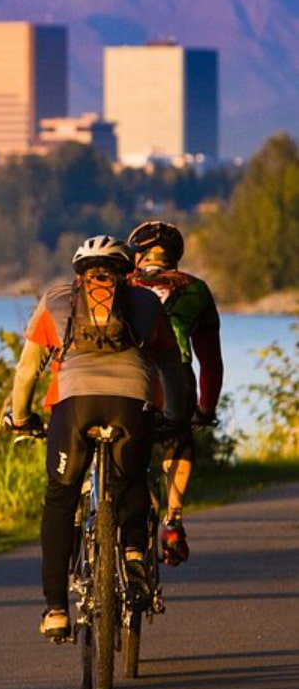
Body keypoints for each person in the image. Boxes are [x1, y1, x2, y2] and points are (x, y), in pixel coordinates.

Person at [4, 234, 187, 640]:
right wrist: (175, 416)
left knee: (61, 495)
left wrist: (20, 418)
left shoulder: (56, 300)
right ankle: (135, 552)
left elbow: (26, 372)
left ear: (78, 273)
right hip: (132, 402)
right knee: (132, 477)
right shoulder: (146, 303)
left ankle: (55, 610)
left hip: (75, 405)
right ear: (126, 271)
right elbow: (172, 369)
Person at [127, 219, 224, 565]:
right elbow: (210, 361)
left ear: (137, 255)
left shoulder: (123, 285)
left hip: (126, 376)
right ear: (175, 258)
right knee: (177, 437)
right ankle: (173, 520)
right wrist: (205, 409)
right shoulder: (196, 289)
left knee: (126, 451)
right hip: (176, 378)